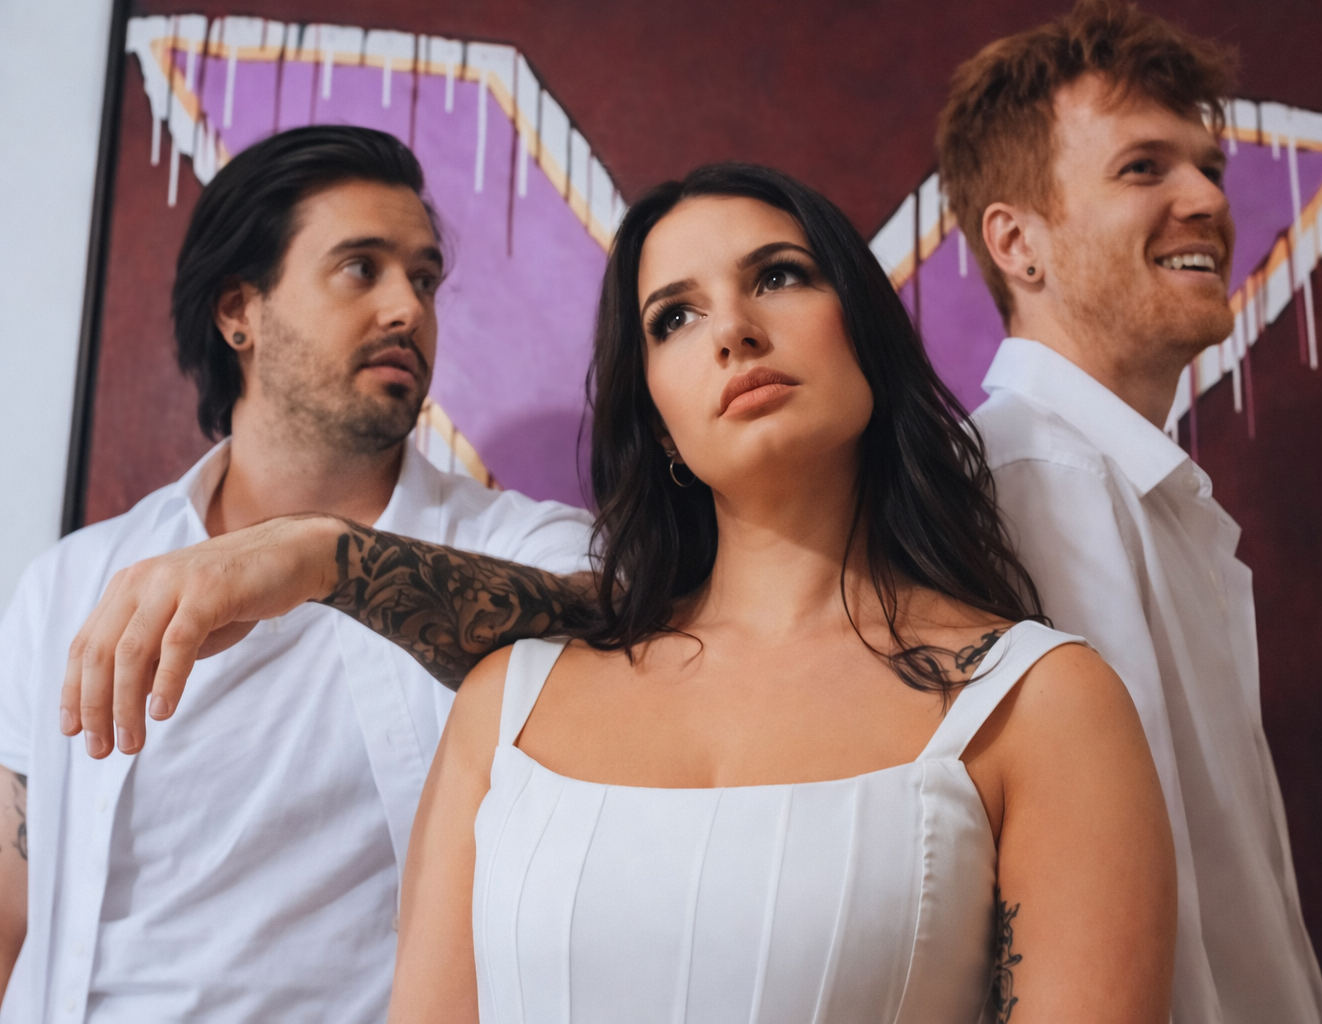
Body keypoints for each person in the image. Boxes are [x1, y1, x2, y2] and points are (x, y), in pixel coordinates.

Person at [59, 164, 1179, 1022]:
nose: (734, 328)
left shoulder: (1040, 703)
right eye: (673, 317)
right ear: (659, 418)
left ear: (867, 339)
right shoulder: (509, 704)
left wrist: (321, 558)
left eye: (779, 275)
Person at [0, 125, 592, 1022]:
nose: (407, 309)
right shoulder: (71, 583)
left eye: (424, 279)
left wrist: (325, 561)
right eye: (361, 268)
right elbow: (14, 901)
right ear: (239, 312)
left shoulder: (524, 545)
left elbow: (606, 620)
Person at [935, 2, 1322, 1022]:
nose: (1208, 199)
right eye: (1143, 168)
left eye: (1207, 167)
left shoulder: (1123, 486)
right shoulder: (1039, 483)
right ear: (1018, 243)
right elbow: (1115, 917)